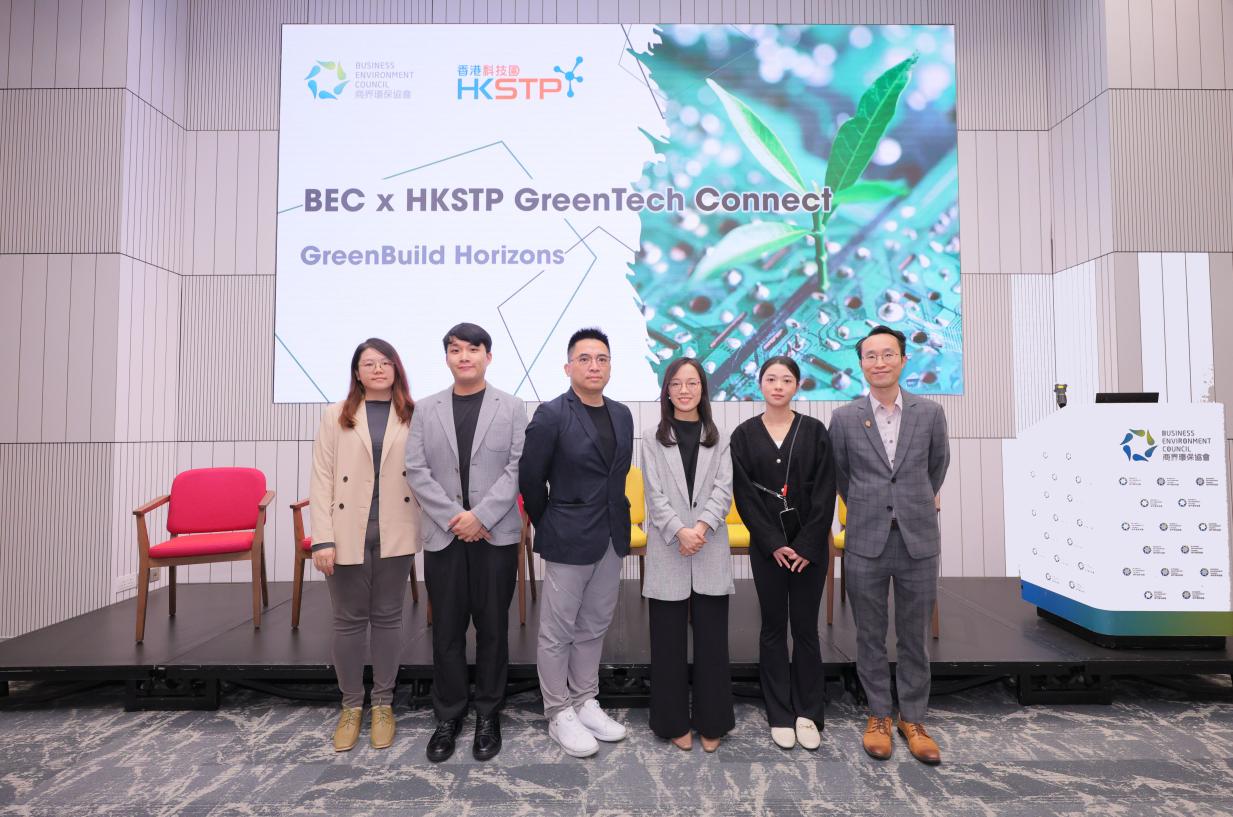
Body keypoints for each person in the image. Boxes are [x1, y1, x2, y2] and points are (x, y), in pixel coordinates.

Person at [405, 323, 527, 762]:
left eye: (473, 349)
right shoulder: (426, 409)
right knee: (447, 631)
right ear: (447, 358)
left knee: (493, 630)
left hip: (494, 535)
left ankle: (489, 714)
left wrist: (481, 516)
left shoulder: (512, 407)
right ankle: (448, 715)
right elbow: (416, 469)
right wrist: (456, 519)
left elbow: (517, 467)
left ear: (487, 357)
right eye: (455, 350)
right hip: (445, 536)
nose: (464, 357)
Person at [830, 325, 950, 765]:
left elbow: (937, 467)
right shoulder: (844, 418)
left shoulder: (930, 413)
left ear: (903, 359)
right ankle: (879, 714)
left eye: (887, 354)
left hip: (918, 536)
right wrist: (872, 505)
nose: (879, 362)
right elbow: (841, 476)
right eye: (870, 356)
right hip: (866, 537)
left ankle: (913, 719)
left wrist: (908, 502)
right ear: (861, 364)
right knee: (870, 634)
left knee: (915, 635)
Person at [518, 327, 634, 758]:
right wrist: (549, 521)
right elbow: (530, 479)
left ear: (610, 366)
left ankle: (585, 700)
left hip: (611, 534)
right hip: (567, 535)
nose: (594, 366)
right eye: (584, 359)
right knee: (557, 630)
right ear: (568, 367)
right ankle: (558, 711)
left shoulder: (622, 414)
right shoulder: (551, 414)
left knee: (594, 624)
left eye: (602, 358)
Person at [309, 338, 421, 752]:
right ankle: (351, 705)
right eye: (369, 363)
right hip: (344, 531)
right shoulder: (335, 414)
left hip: (397, 528)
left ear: (396, 368)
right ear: (356, 372)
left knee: (389, 617)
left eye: (385, 362)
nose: (377, 369)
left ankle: (384, 704)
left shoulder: (413, 414)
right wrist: (322, 538)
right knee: (349, 620)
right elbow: (322, 477)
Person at [730, 355, 836, 751]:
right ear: (760, 384)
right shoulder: (743, 435)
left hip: (810, 550)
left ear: (797, 385)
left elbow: (826, 491)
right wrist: (774, 543)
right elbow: (744, 496)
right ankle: (778, 712)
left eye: (786, 379)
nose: (778, 386)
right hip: (768, 550)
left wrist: (807, 545)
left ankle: (808, 711)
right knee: (773, 628)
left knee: (806, 629)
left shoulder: (815, 431)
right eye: (771, 379)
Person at [640, 358, 735, 753]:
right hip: (670, 546)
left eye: (692, 383)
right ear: (666, 390)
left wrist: (700, 529)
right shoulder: (652, 438)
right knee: (667, 644)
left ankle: (713, 721)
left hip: (708, 545)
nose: (684, 390)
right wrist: (680, 530)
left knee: (713, 643)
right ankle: (672, 721)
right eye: (676, 384)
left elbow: (724, 489)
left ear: (702, 389)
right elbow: (653, 493)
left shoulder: (718, 436)